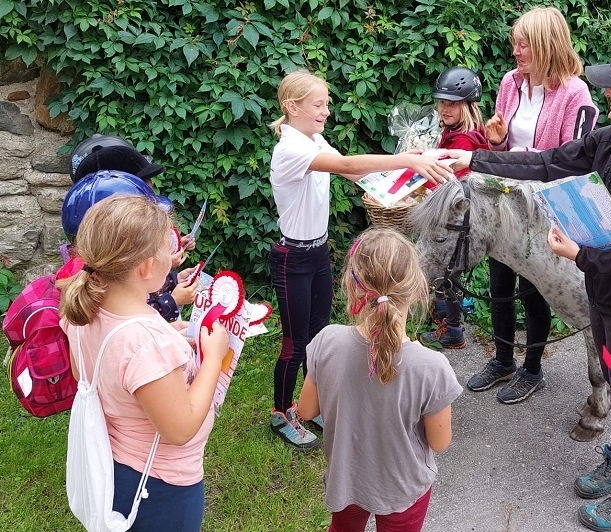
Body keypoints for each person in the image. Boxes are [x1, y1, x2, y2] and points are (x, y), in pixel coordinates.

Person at [449, 44, 611, 531]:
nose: (605, 92)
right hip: (603, 293)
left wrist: (579, 256)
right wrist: (475, 162)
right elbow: (547, 163)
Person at [268, 69, 454, 450]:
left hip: (317, 252)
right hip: (292, 258)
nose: (326, 111)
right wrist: (405, 158)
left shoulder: (314, 139)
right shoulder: (291, 149)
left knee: (317, 335)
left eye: (326, 104)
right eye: (319, 104)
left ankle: (310, 405)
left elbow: (359, 175)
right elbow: (348, 167)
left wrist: (408, 173)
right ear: (293, 106)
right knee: (295, 340)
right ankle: (281, 410)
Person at [58, 194, 230, 531]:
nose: (175, 250)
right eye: (169, 243)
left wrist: (165, 336)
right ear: (147, 266)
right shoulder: (146, 341)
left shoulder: (81, 311)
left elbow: (89, 376)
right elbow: (180, 429)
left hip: (113, 468)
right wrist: (213, 358)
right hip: (160, 490)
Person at [464, 6, 598, 405]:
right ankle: (503, 359)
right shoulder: (510, 82)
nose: (516, 52)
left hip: (543, 204)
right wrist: (499, 140)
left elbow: (575, 159)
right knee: (499, 282)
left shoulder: (575, 92)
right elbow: (501, 148)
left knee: (534, 288)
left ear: (545, 44)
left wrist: (522, 155)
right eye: (515, 43)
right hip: (505, 197)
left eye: (524, 44)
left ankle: (533, 369)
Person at [296, 227, 463, 532]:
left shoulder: (326, 341)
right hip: (404, 488)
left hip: (347, 481)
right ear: (414, 291)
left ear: (351, 286)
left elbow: (306, 412)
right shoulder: (432, 367)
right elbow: (439, 443)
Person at [69, 133, 198, 322]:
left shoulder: (90, 273)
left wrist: (172, 279)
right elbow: (130, 321)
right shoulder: (101, 292)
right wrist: (172, 299)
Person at [419, 66, 489, 349]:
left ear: (469, 106)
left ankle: (452, 330)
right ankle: (449, 326)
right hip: (453, 218)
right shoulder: (455, 132)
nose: (444, 109)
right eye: (442, 102)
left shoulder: (463, 140)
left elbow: (454, 187)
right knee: (448, 275)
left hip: (455, 220)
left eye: (452, 103)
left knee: (446, 274)